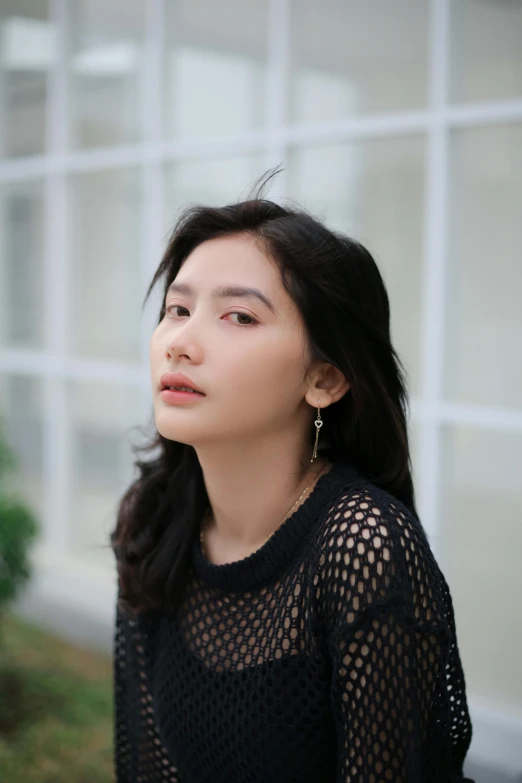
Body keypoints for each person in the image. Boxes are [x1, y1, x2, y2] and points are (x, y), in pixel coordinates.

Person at [110, 166, 475, 782]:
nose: (180, 342)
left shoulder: (362, 545)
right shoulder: (156, 513)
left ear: (324, 379)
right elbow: (148, 764)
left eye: (239, 318)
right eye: (177, 308)